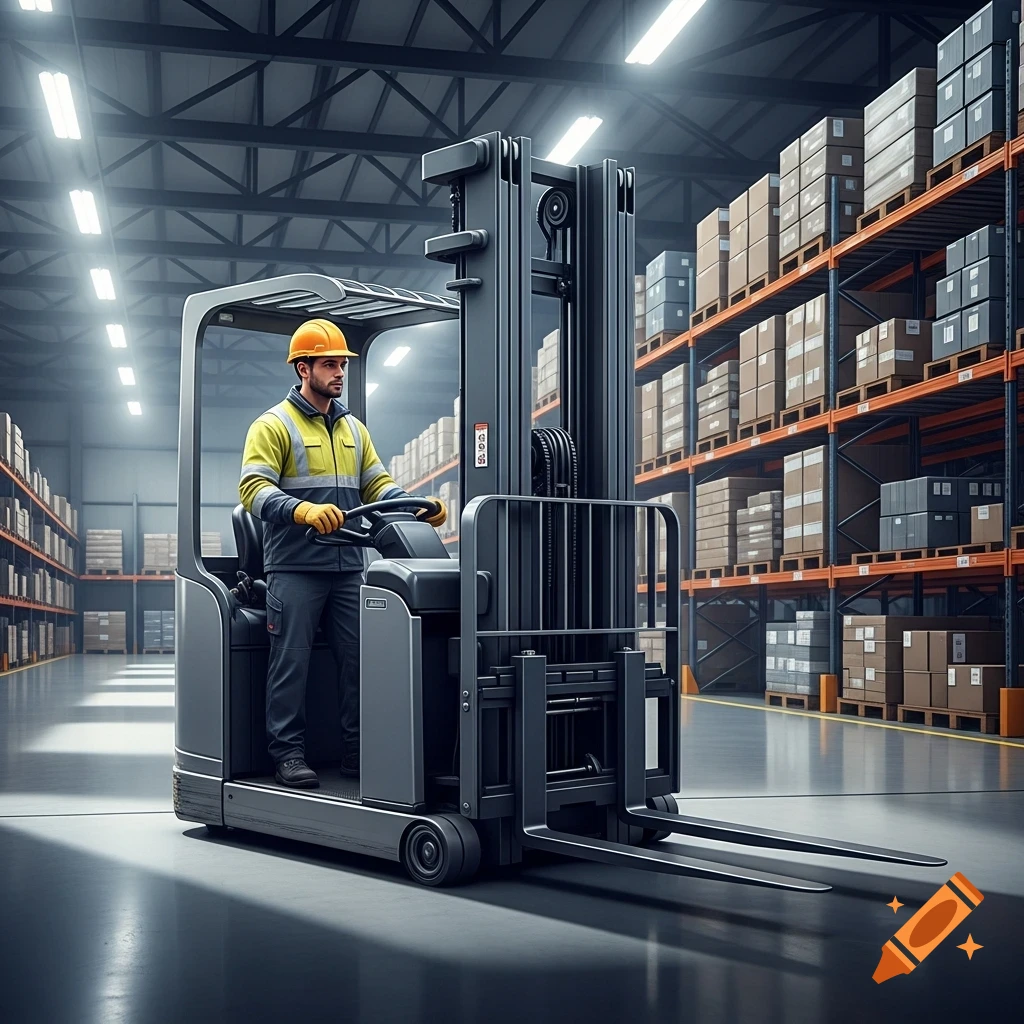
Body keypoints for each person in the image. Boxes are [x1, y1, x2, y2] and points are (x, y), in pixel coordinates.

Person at [238, 319, 446, 789]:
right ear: (302, 367)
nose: (339, 373)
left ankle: (357, 752)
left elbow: (377, 483)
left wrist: (414, 505)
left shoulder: (354, 428)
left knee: (361, 661)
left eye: (342, 365)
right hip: (295, 566)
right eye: (329, 364)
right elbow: (253, 489)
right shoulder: (273, 425)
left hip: (351, 564)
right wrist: (303, 510)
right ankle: (288, 753)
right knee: (291, 662)